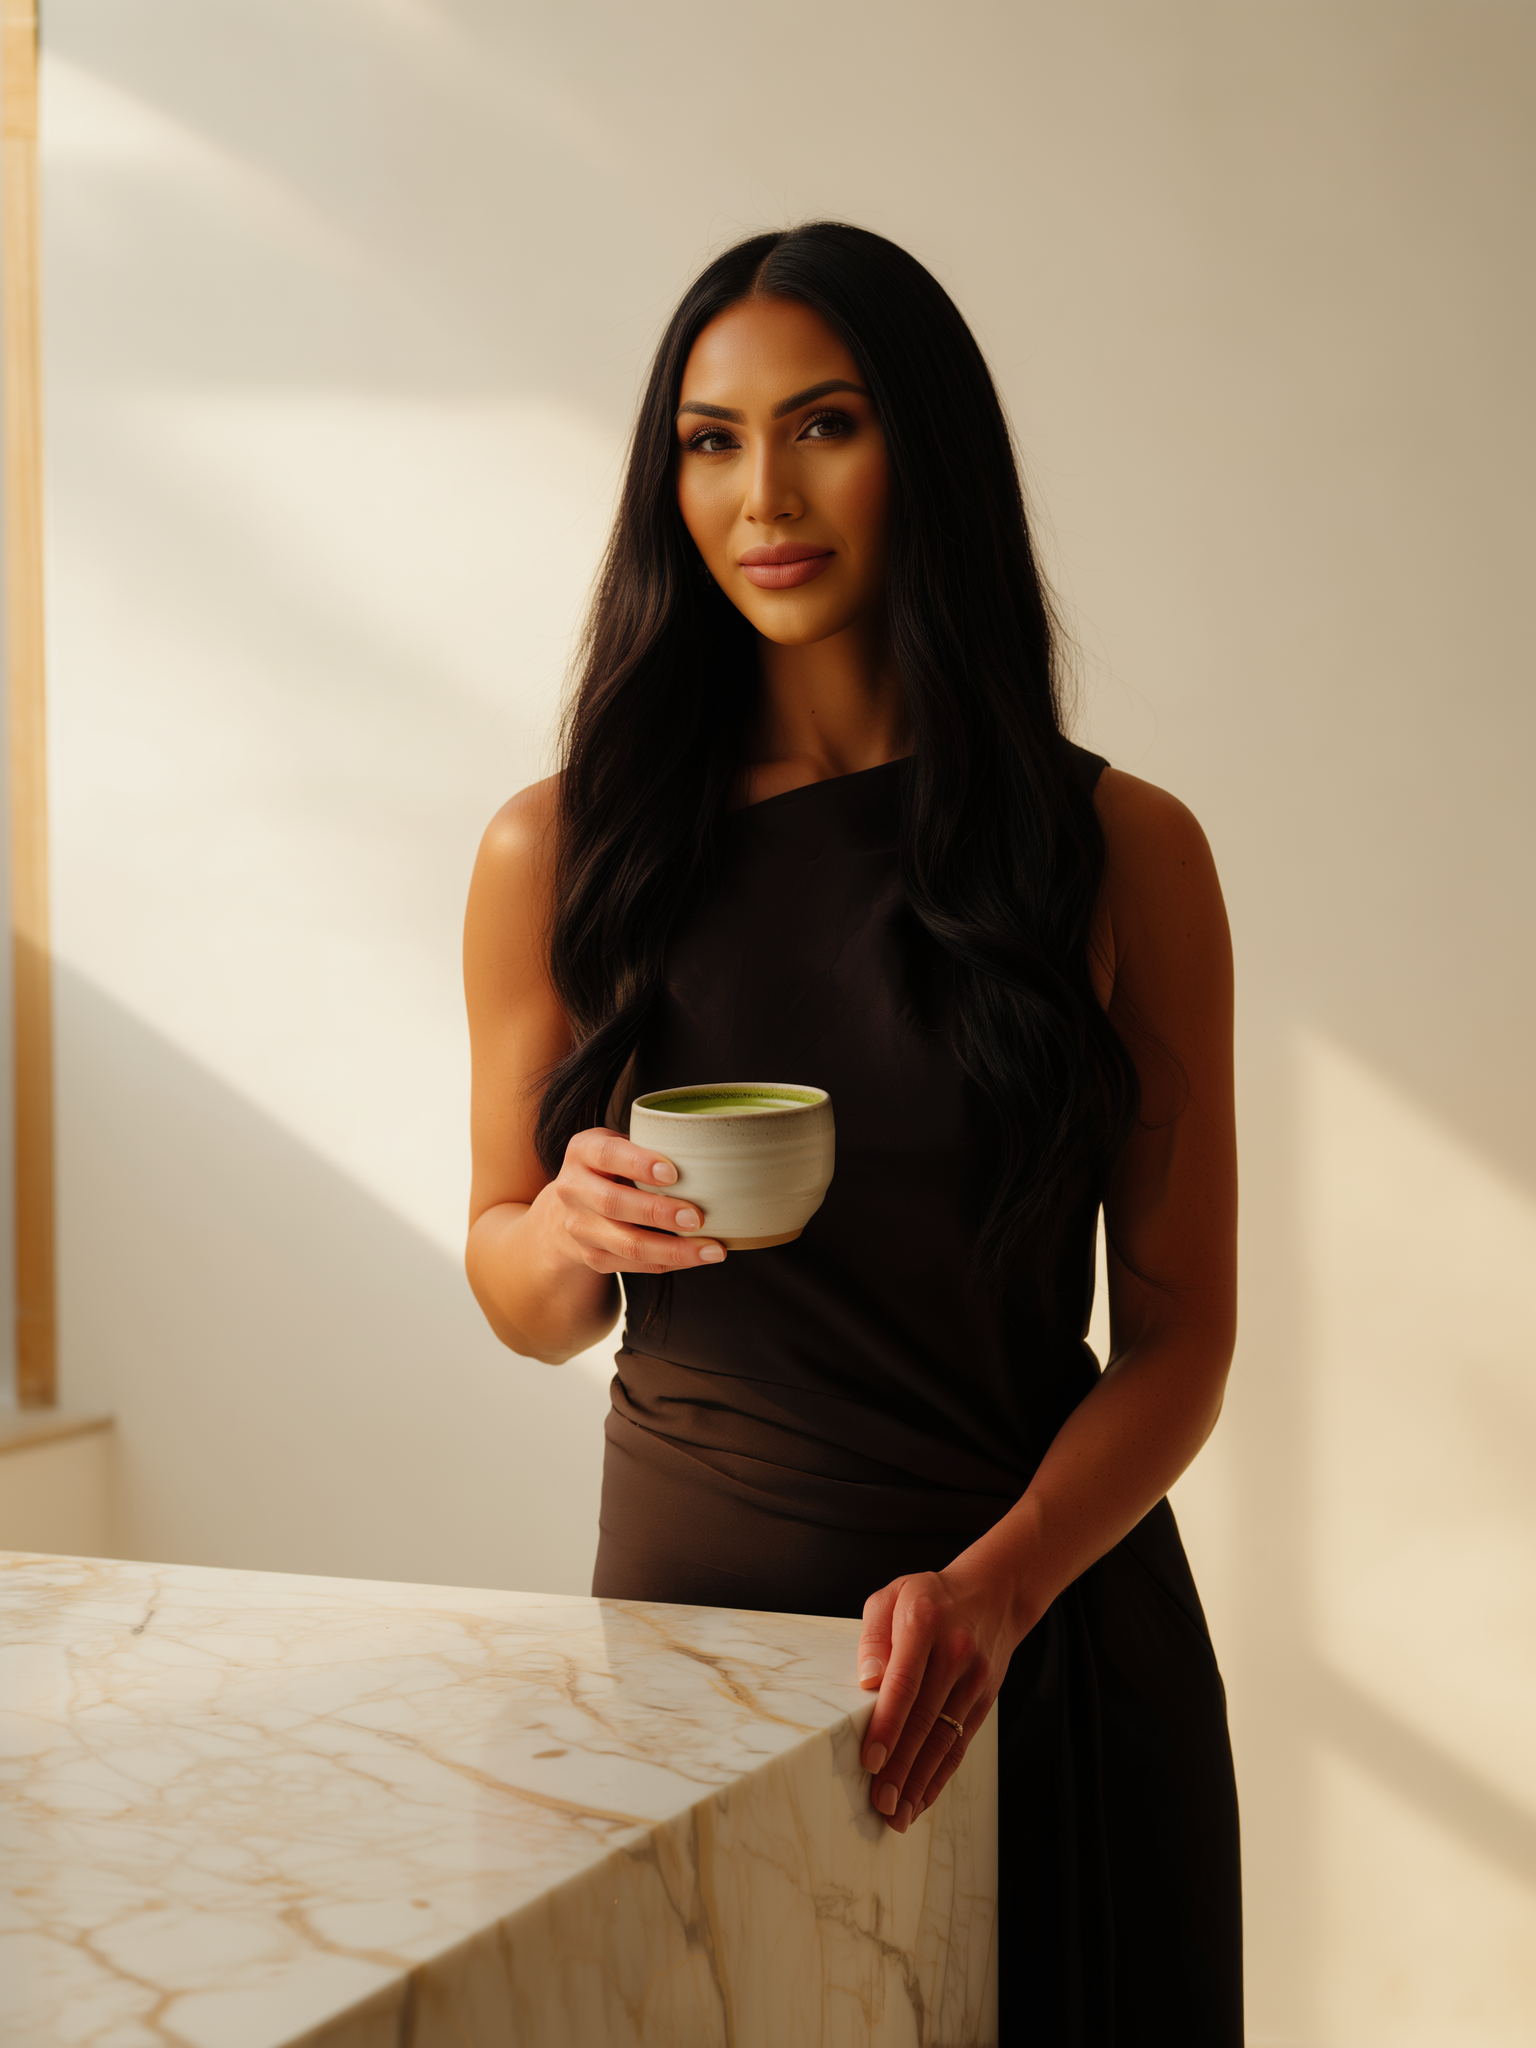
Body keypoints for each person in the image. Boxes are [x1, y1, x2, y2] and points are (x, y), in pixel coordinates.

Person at [463, 222, 1241, 2044]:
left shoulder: (1122, 852)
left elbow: (1186, 1337)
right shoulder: (560, 848)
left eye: (825, 423)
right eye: (710, 440)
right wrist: (564, 1233)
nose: (764, 492)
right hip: (685, 1670)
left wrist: (996, 1592)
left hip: (1042, 1655)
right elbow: (519, 1291)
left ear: (930, 454)